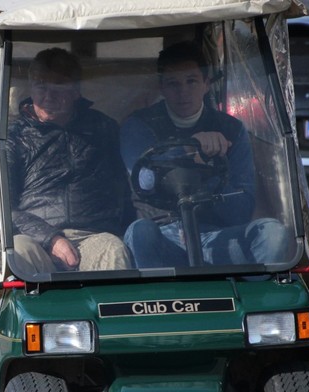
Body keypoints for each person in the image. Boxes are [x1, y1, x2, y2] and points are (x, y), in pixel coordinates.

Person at [120, 41, 289, 267]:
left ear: (206, 84)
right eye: (173, 84)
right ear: (161, 88)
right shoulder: (139, 125)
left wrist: (207, 169)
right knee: (139, 231)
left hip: (217, 237)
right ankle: (160, 299)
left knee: (273, 233)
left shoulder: (231, 129)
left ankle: (249, 298)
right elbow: (146, 181)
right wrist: (190, 150)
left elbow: (241, 209)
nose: (183, 92)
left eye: (191, 81)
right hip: (162, 236)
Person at [5, 47, 134, 275]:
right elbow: (3, 206)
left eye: (58, 86)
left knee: (114, 249)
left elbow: (123, 189)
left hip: (93, 235)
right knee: (18, 252)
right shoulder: (13, 137)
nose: (48, 96)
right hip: (35, 237)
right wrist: (51, 238)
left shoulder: (103, 128)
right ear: (31, 88)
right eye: (41, 86)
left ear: (76, 91)